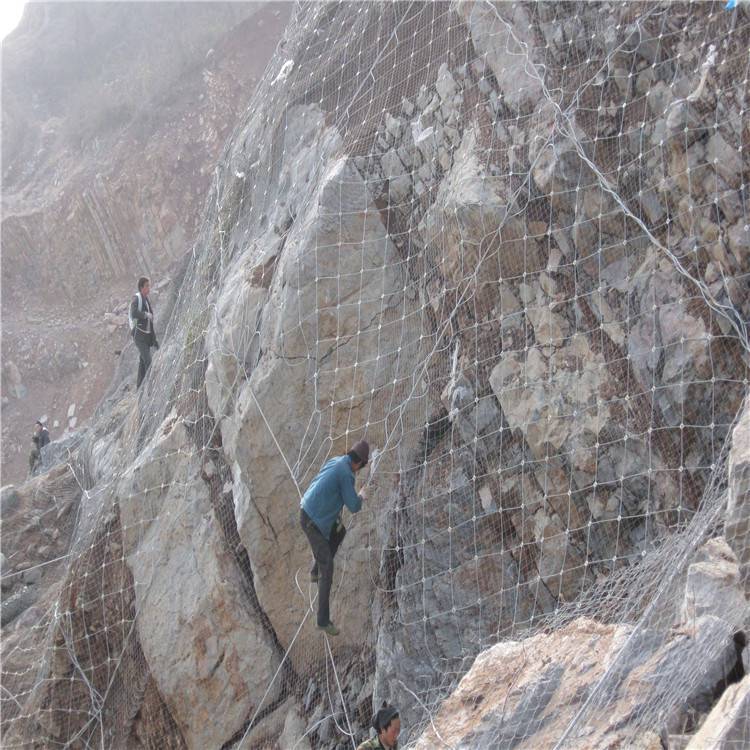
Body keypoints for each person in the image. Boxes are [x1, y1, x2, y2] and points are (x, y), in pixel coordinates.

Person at [300, 439, 369, 636]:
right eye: (361, 467)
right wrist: (362, 495)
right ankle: (322, 620)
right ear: (359, 463)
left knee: (339, 531)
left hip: (308, 511)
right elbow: (353, 506)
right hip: (313, 523)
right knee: (328, 568)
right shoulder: (346, 473)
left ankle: (315, 571)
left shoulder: (336, 460)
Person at [129, 276, 159, 389]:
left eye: (149, 285)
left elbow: (150, 323)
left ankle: (140, 386)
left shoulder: (145, 300)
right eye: (147, 286)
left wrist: (154, 340)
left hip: (145, 336)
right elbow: (133, 313)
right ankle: (150, 388)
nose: (149, 288)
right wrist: (145, 314)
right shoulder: (137, 298)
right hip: (139, 336)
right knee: (148, 361)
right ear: (141, 287)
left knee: (142, 361)